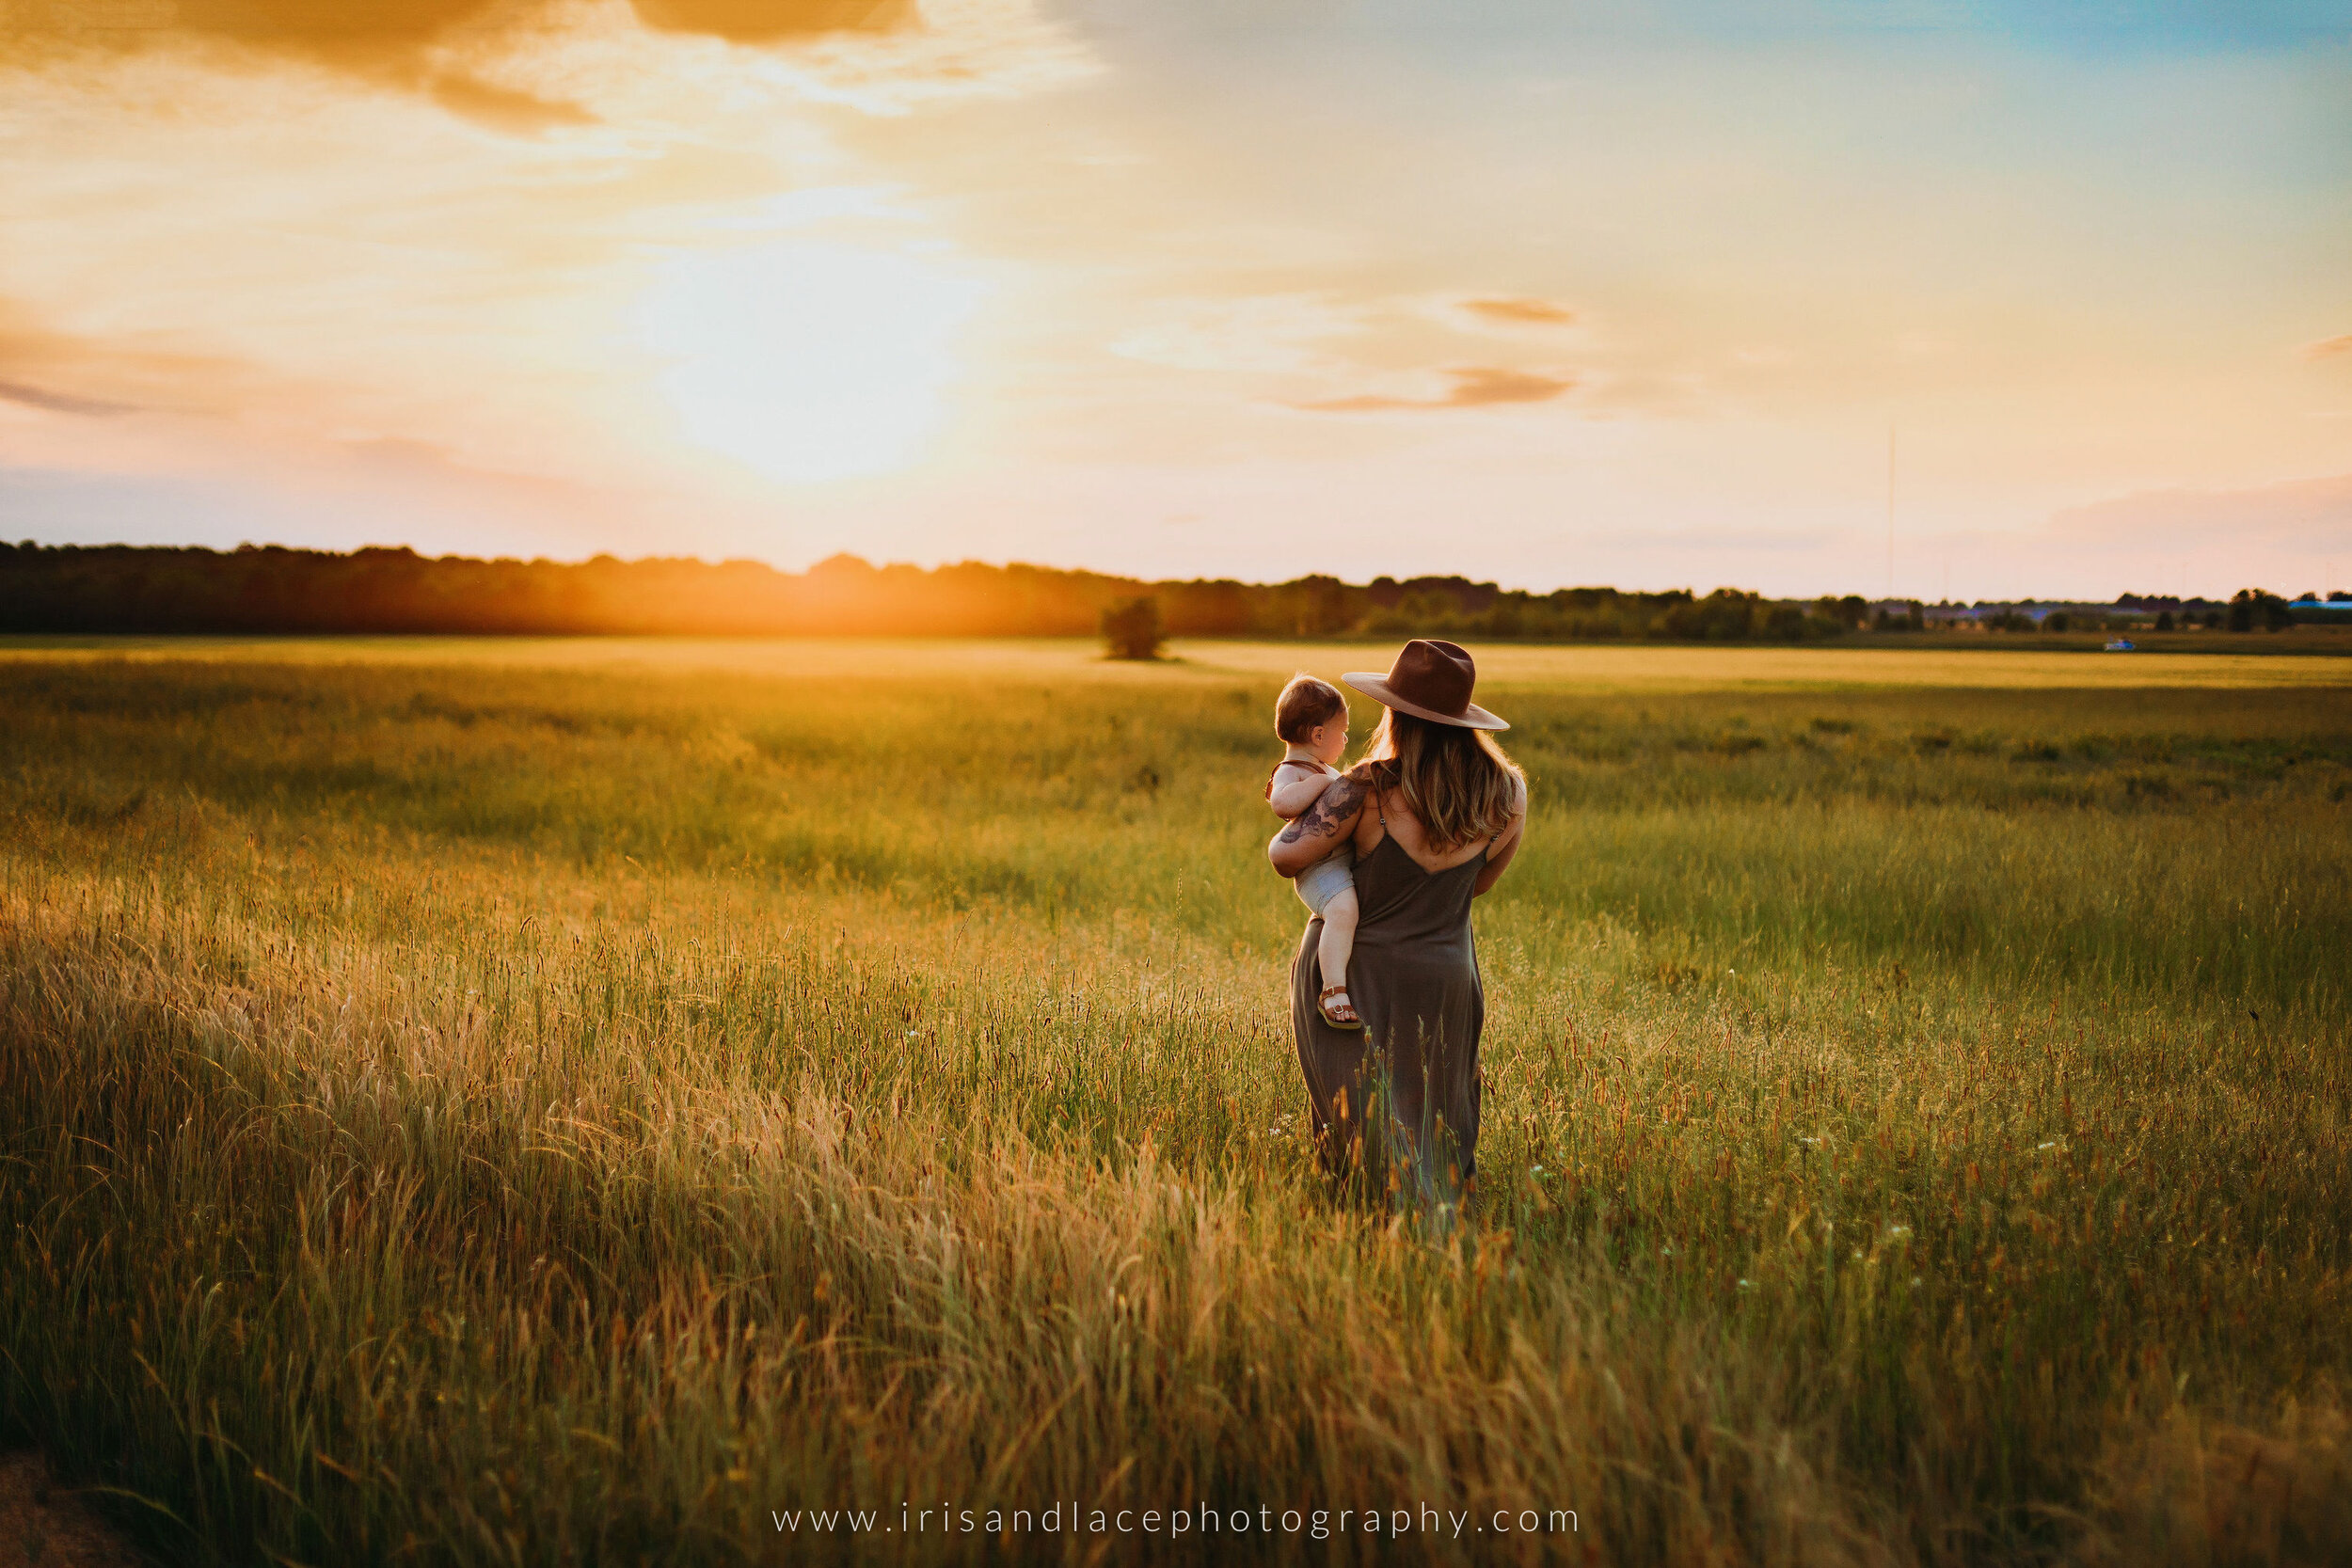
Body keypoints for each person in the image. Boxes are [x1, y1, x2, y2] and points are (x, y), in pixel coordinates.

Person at [1267, 640, 1526, 1218]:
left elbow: (1285, 856)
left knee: (1355, 1131)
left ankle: (1368, 1252)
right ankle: (1442, 1239)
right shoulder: (1509, 793)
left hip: (1356, 980)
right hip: (1446, 976)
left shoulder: (1365, 786)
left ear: (1395, 713)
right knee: (1439, 1119)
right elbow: (1477, 886)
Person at [1263, 674, 1364, 1030]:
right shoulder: (1293, 771)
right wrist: (1323, 783)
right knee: (1343, 910)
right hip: (1321, 871)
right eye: (1343, 730)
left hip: (1337, 863)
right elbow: (1282, 803)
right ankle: (1333, 989)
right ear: (1318, 735)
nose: (1347, 738)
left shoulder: (1322, 768)